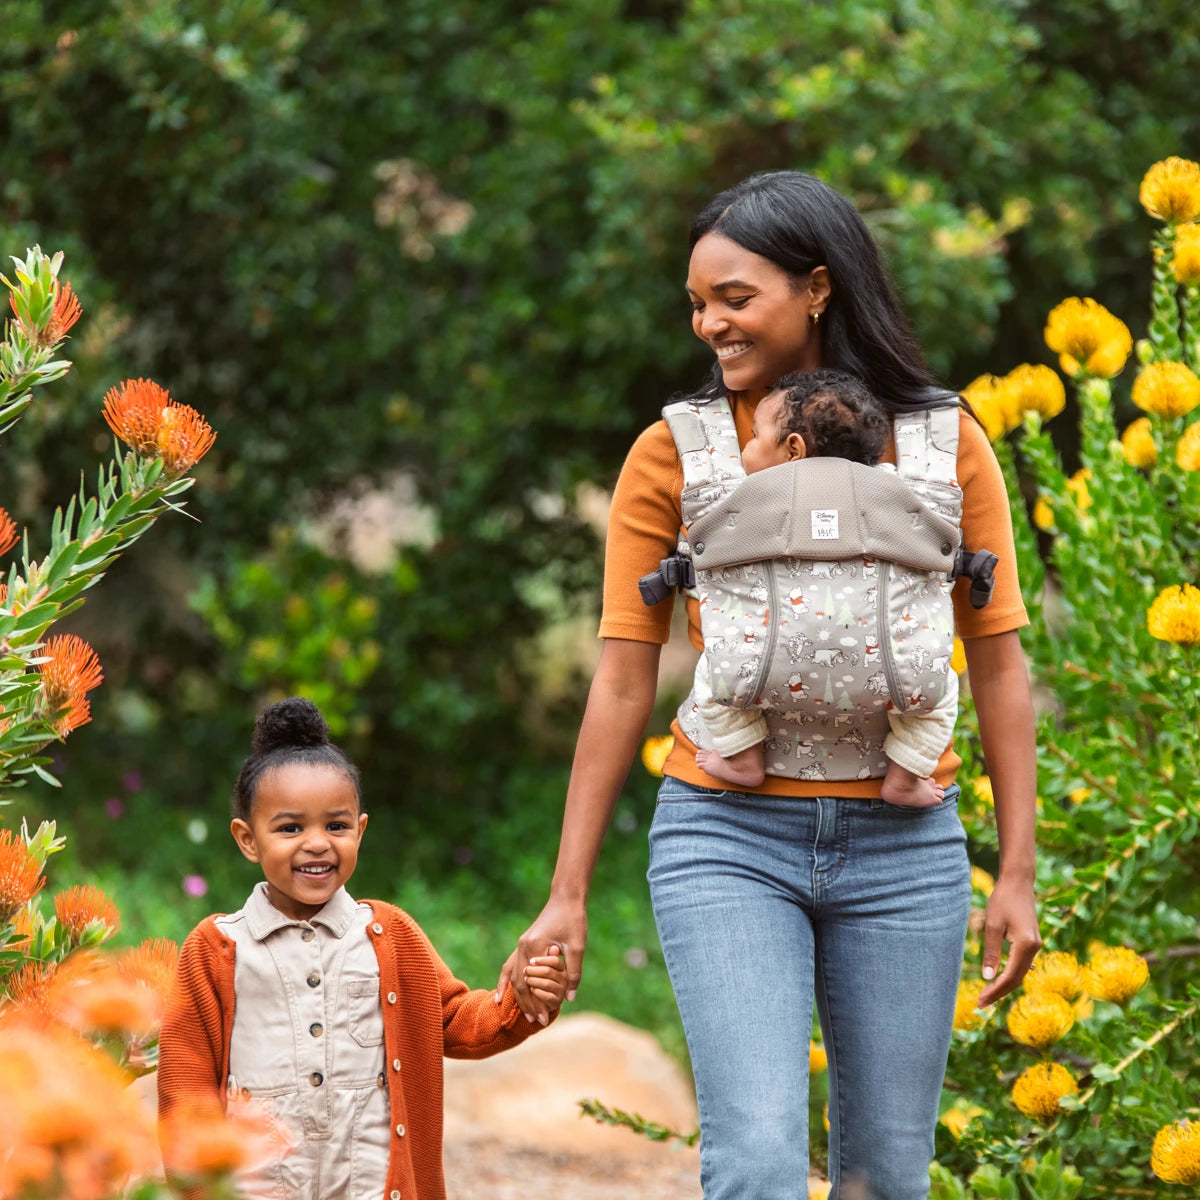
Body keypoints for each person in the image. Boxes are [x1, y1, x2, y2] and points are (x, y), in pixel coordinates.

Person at [497, 171, 1041, 1199]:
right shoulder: (676, 454)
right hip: (726, 839)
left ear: (819, 287)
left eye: (734, 298)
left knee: (887, 1177)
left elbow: (1002, 664)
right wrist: (565, 896)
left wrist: (1014, 869)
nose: (709, 324)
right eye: (697, 303)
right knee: (753, 1167)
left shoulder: (944, 445)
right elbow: (622, 680)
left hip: (905, 847)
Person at [157, 697, 566, 1200]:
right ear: (247, 840)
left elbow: (456, 1020)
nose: (316, 843)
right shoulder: (217, 949)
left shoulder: (389, 935)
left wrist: (521, 1001)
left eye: (336, 825)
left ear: (360, 830)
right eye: (290, 828)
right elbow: (185, 1088)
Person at [691, 366, 956, 808]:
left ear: (793, 449)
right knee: (939, 693)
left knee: (715, 673)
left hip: (757, 669)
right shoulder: (895, 491)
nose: (746, 449)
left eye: (755, 437)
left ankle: (742, 759)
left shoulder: (746, 499)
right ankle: (906, 777)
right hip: (896, 674)